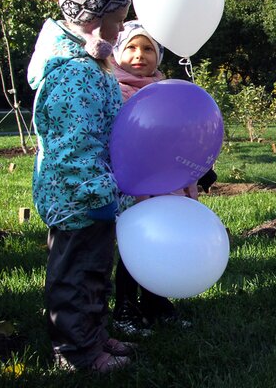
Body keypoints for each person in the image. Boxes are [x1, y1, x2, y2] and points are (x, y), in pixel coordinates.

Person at [27, 0, 135, 372]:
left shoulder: (91, 63)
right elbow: (72, 147)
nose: (122, 25)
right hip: (78, 198)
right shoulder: (75, 73)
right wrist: (95, 193)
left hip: (92, 192)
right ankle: (77, 352)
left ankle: (93, 334)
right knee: (76, 275)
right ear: (93, 18)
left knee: (94, 271)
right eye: (118, 16)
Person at [110, 21, 195, 336]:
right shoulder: (113, 88)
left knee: (160, 241)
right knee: (135, 245)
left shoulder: (166, 91)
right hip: (130, 183)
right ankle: (124, 308)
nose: (139, 55)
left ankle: (156, 303)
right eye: (131, 47)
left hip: (164, 180)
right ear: (118, 51)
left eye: (148, 48)